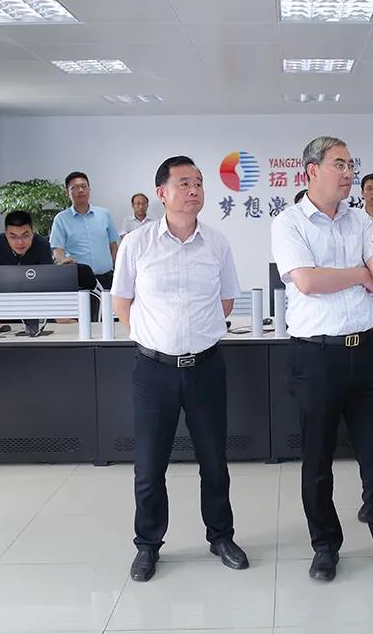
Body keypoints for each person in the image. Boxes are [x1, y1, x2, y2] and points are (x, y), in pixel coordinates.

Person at [271, 136, 373, 592]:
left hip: (365, 353)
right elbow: (307, 280)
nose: (348, 173)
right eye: (339, 164)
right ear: (311, 171)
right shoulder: (289, 222)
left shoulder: (362, 219)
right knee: (318, 460)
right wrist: (360, 274)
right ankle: (325, 546)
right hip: (315, 356)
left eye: (350, 165)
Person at [111, 155, 248, 582]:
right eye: (184, 183)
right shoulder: (137, 244)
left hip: (205, 367)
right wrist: (153, 339)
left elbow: (227, 300)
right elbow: (121, 302)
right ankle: (148, 545)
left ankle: (221, 536)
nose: (194, 190)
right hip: (154, 371)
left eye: (199, 183)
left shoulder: (217, 243)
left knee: (214, 461)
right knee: (150, 466)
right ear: (162, 193)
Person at [0, 210, 53, 328]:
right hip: (1, 306)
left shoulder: (42, 245)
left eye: (25, 235)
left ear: (33, 232)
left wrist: (57, 313)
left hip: (31, 306)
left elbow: (50, 281)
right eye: (13, 237)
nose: (20, 242)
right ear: (6, 234)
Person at [50, 171, 119, 291]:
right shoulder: (61, 219)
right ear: (67, 192)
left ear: (89, 189)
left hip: (107, 278)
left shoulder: (104, 214)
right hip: (79, 280)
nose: (80, 190)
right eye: (75, 187)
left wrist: (118, 271)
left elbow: (113, 246)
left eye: (83, 186)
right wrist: (64, 260)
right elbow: (57, 250)